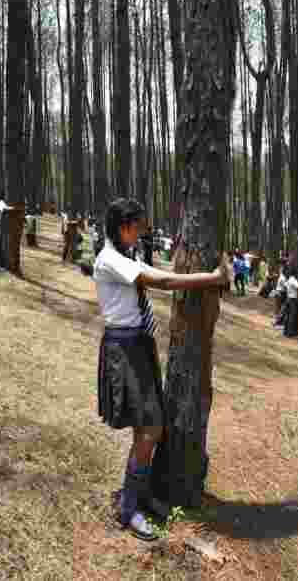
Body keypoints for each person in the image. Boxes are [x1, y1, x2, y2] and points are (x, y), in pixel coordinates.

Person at [94, 198, 228, 541]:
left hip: (138, 345)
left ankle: (138, 495)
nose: (141, 234)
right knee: (149, 429)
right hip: (125, 348)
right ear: (124, 227)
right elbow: (163, 282)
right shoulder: (110, 259)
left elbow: (157, 275)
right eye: (138, 227)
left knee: (152, 426)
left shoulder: (125, 256)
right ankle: (129, 508)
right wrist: (211, 277)